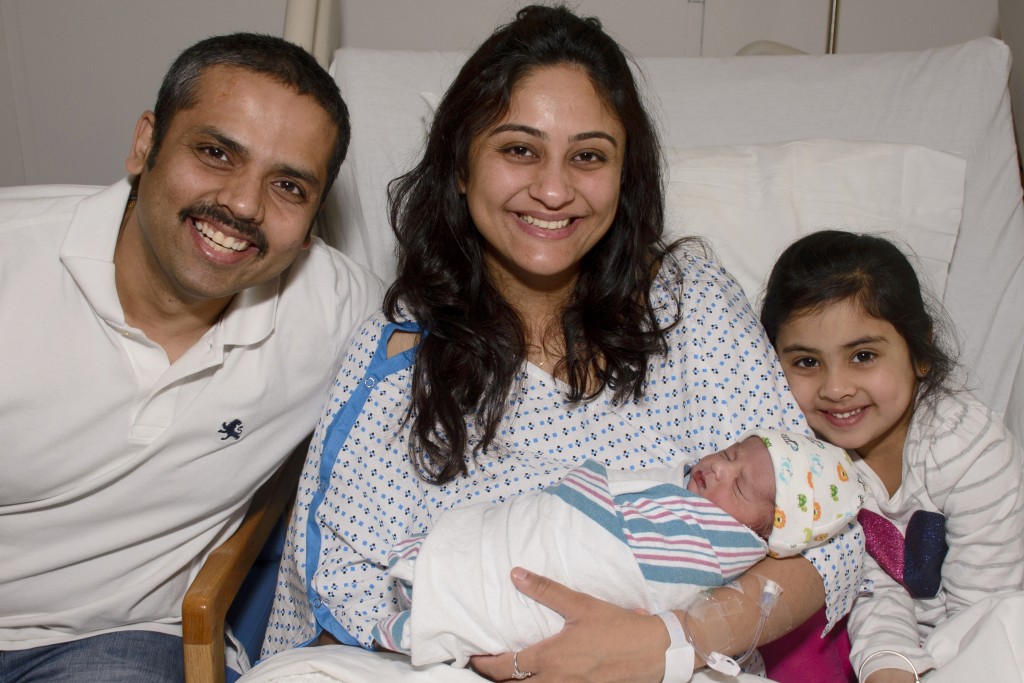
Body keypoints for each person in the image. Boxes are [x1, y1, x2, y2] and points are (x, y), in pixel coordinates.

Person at [262, 6, 864, 682]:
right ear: (461, 167)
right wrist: (510, 657)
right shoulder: (402, 349)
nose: (553, 190)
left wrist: (669, 639)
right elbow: (336, 578)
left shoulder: (688, 301)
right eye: (519, 149)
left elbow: (829, 541)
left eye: (588, 156)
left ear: (624, 175)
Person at [0, 33, 383, 682]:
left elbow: (479, 364)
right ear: (146, 143)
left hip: (115, 642)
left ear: (315, 217)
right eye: (215, 153)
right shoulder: (15, 263)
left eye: (288, 185)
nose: (241, 204)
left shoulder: (337, 314)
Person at [760, 230, 1024, 682]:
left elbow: (989, 608)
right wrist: (890, 668)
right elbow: (869, 589)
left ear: (919, 352)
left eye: (862, 356)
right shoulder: (804, 464)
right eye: (806, 362)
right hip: (875, 643)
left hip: (986, 627)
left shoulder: (966, 445)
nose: (836, 388)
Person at [373, 430, 865, 668]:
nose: (718, 470)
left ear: (765, 536)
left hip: (608, 636)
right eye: (730, 454)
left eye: (739, 489)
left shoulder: (723, 548)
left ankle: (443, 610)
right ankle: (441, 588)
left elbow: (623, 562)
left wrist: (668, 640)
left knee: (513, 596)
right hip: (522, 535)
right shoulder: (684, 484)